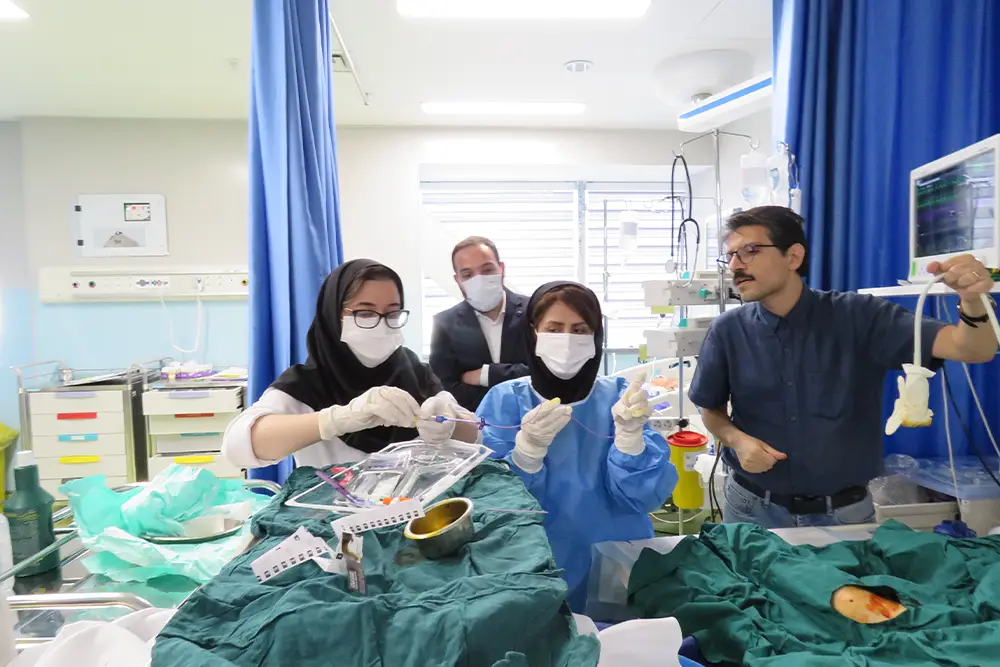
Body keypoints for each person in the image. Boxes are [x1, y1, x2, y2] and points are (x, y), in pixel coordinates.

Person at [689, 206, 998, 529]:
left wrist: (973, 300)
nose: (735, 266)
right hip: (752, 509)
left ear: (793, 257)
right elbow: (710, 408)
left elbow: (974, 349)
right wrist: (738, 440)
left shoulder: (860, 317)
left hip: (844, 515)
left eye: (750, 251)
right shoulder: (728, 331)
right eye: (731, 256)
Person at [476, 281, 677, 612]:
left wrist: (630, 440)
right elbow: (489, 505)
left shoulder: (620, 398)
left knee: (619, 637)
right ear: (533, 332)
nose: (567, 341)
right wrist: (525, 456)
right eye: (554, 329)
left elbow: (643, 498)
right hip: (530, 562)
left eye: (580, 329)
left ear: (596, 336)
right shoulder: (504, 401)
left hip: (616, 558)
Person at [223, 259, 480, 470]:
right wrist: (337, 419)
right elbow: (237, 448)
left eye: (392, 313)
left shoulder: (416, 372)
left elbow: (475, 437)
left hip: (414, 510)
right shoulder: (307, 383)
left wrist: (452, 423)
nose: (381, 324)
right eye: (365, 313)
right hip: (334, 513)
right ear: (333, 316)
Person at [429, 236, 531, 412]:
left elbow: (545, 371)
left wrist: (486, 374)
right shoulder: (444, 324)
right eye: (468, 274)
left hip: (536, 417)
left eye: (487, 269)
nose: (479, 279)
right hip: (474, 423)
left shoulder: (535, 312)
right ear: (458, 280)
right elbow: (445, 389)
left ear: (502, 269)